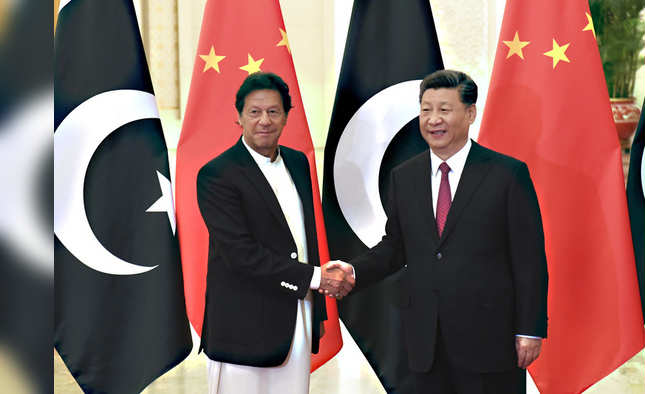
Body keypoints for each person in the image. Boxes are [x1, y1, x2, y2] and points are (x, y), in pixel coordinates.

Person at [325, 69, 548, 394]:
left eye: (444, 109)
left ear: (470, 113)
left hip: (489, 341)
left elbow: (529, 260)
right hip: (424, 343)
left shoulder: (507, 175)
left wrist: (529, 329)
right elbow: (395, 247)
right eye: (426, 109)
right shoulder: (405, 177)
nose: (433, 119)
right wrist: (355, 271)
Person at [196, 72, 354, 394]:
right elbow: (240, 254)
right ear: (238, 116)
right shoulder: (217, 174)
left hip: (298, 316)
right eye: (254, 112)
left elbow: (305, 240)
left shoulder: (298, 162)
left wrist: (318, 306)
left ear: (286, 116)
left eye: (273, 112)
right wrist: (315, 278)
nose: (264, 121)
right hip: (243, 326)